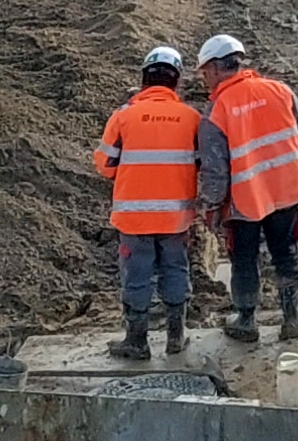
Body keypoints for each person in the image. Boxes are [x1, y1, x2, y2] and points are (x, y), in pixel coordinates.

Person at [90, 42, 221, 359]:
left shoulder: (123, 117)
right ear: (175, 81)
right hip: (176, 220)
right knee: (176, 270)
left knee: (137, 277)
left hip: (134, 220)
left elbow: (104, 165)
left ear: (144, 79)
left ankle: (137, 341)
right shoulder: (191, 118)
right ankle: (176, 338)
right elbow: (204, 163)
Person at [197, 32, 298, 345]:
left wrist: (212, 207)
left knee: (244, 260)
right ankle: (292, 316)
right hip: (287, 192)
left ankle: (246, 321)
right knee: (287, 253)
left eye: (205, 73)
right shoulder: (280, 91)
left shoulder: (216, 112)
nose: (205, 80)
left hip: (245, 202)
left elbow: (215, 169)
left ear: (215, 69)